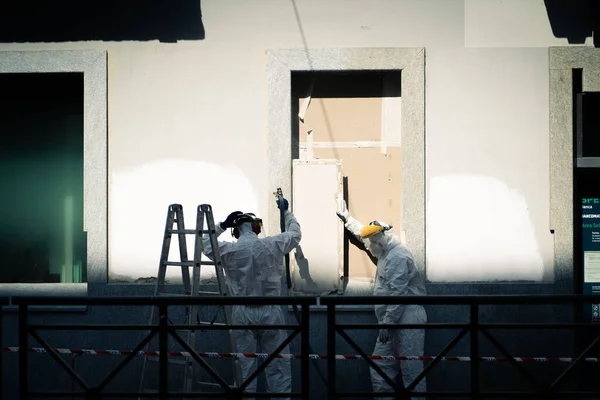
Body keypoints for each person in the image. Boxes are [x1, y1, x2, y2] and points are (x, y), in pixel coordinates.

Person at [202, 197, 301, 399]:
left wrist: (221, 225)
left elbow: (204, 244)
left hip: (242, 312)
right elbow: (296, 234)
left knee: (245, 368)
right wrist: (287, 213)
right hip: (271, 312)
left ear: (235, 231)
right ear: (256, 228)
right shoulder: (273, 244)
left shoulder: (229, 250)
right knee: (278, 365)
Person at [336, 200, 427, 400]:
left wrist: (387, 324)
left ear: (379, 241)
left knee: (412, 371)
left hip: (406, 319)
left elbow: (398, 294)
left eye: (371, 244)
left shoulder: (397, 257)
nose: (367, 247)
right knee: (381, 367)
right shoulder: (384, 250)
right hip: (391, 320)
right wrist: (348, 219)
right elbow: (364, 235)